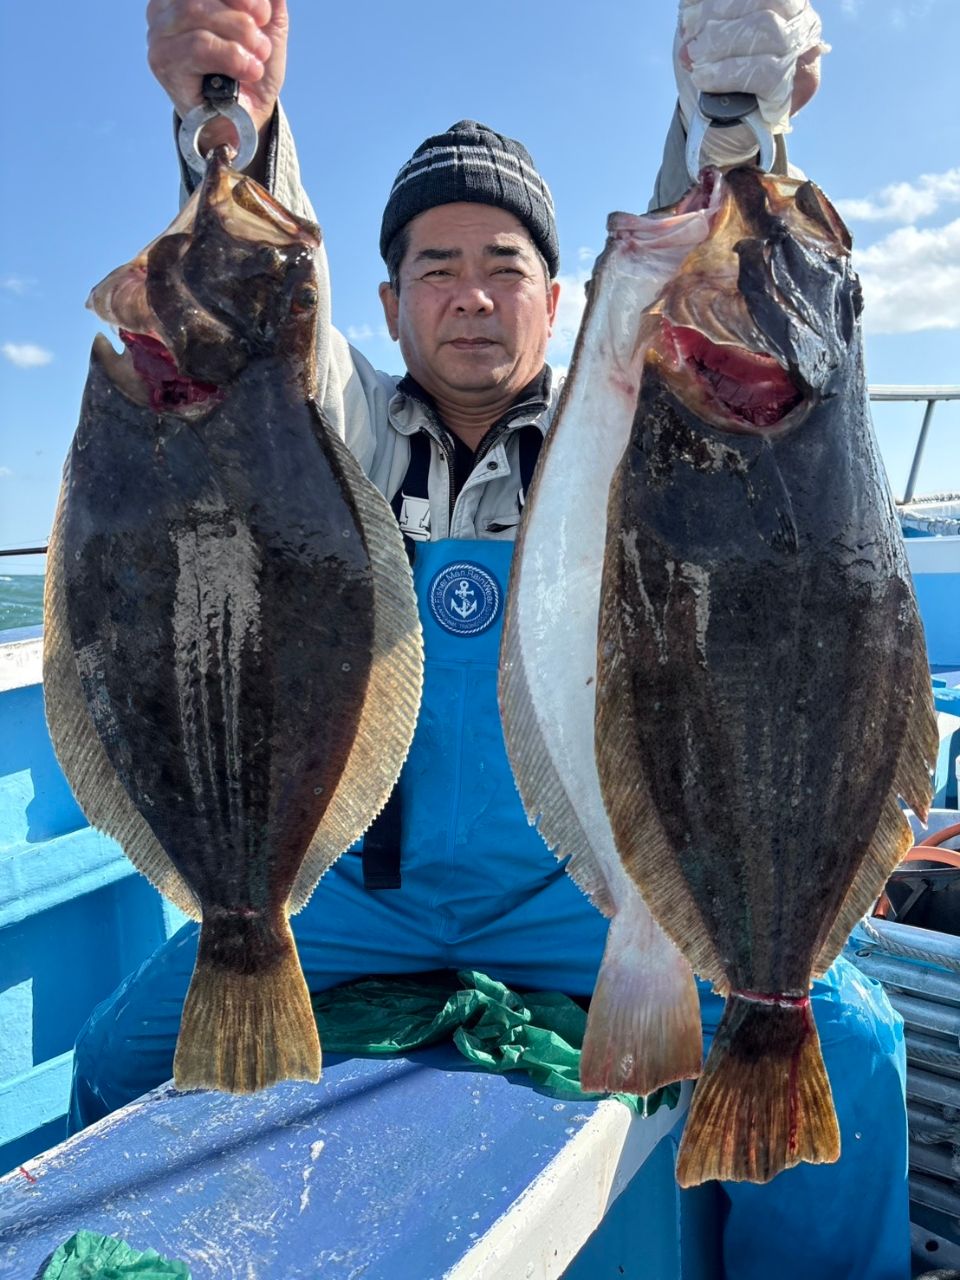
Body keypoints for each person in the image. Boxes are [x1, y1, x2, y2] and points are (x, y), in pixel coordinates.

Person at [71, 2, 911, 1276]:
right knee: (118, 1056)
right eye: (436, 266)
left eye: (506, 264)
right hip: (354, 900)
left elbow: (700, 279)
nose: (471, 295)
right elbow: (251, 331)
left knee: (849, 1040)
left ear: (560, 295)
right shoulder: (335, 428)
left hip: (577, 892)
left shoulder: (616, 433)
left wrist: (722, 111)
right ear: (389, 303)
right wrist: (233, 113)